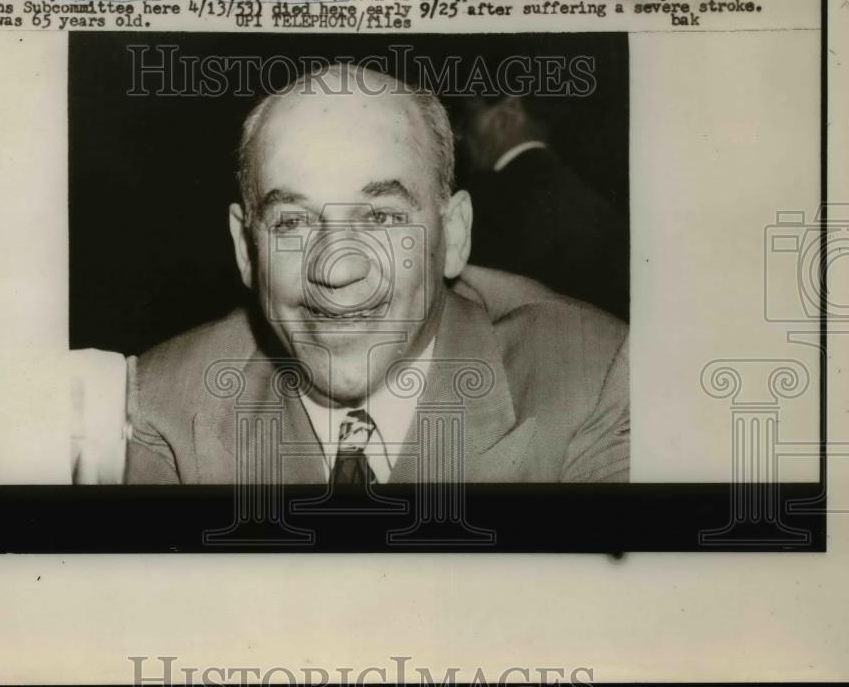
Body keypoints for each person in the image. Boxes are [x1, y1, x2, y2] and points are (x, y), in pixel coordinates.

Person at [125, 64, 628, 485]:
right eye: (293, 222)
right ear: (245, 249)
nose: (337, 269)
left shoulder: (593, 375)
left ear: (452, 236)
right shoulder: (162, 406)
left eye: (382, 218)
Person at [458, 94, 630, 319]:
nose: (458, 134)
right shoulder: (588, 199)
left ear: (508, 111)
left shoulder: (481, 200)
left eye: (469, 114)